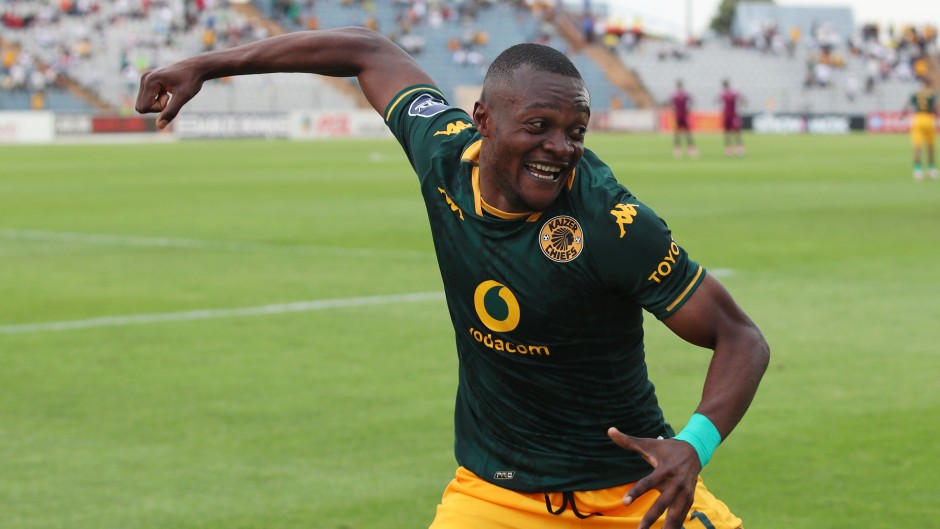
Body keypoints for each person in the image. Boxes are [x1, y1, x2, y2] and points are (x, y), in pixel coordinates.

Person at [136, 27, 770, 529]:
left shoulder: (611, 222)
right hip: (495, 497)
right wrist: (206, 65)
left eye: (575, 131)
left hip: (631, 493)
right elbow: (367, 50)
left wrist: (693, 445)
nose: (561, 148)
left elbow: (740, 337)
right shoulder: (442, 151)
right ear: (482, 121)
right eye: (539, 127)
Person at [904, 76, 938, 181]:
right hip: (928, 118)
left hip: (918, 118)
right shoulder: (932, 93)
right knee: (931, 146)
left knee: (917, 146)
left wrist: (902, 114)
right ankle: (931, 170)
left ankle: (917, 171)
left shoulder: (916, 93)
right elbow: (936, 107)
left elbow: (907, 104)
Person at [668, 79, 697, 158]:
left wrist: (674, 110)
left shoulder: (675, 95)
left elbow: (671, 103)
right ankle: (690, 149)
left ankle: (679, 149)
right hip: (682, 116)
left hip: (679, 116)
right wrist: (688, 109)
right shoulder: (684, 94)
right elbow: (691, 101)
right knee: (685, 133)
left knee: (680, 133)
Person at [717, 79, 746, 157]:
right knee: (733, 133)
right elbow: (743, 99)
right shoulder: (732, 92)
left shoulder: (726, 93)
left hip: (731, 115)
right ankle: (738, 149)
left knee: (731, 133)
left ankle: (731, 150)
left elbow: (717, 100)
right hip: (731, 115)